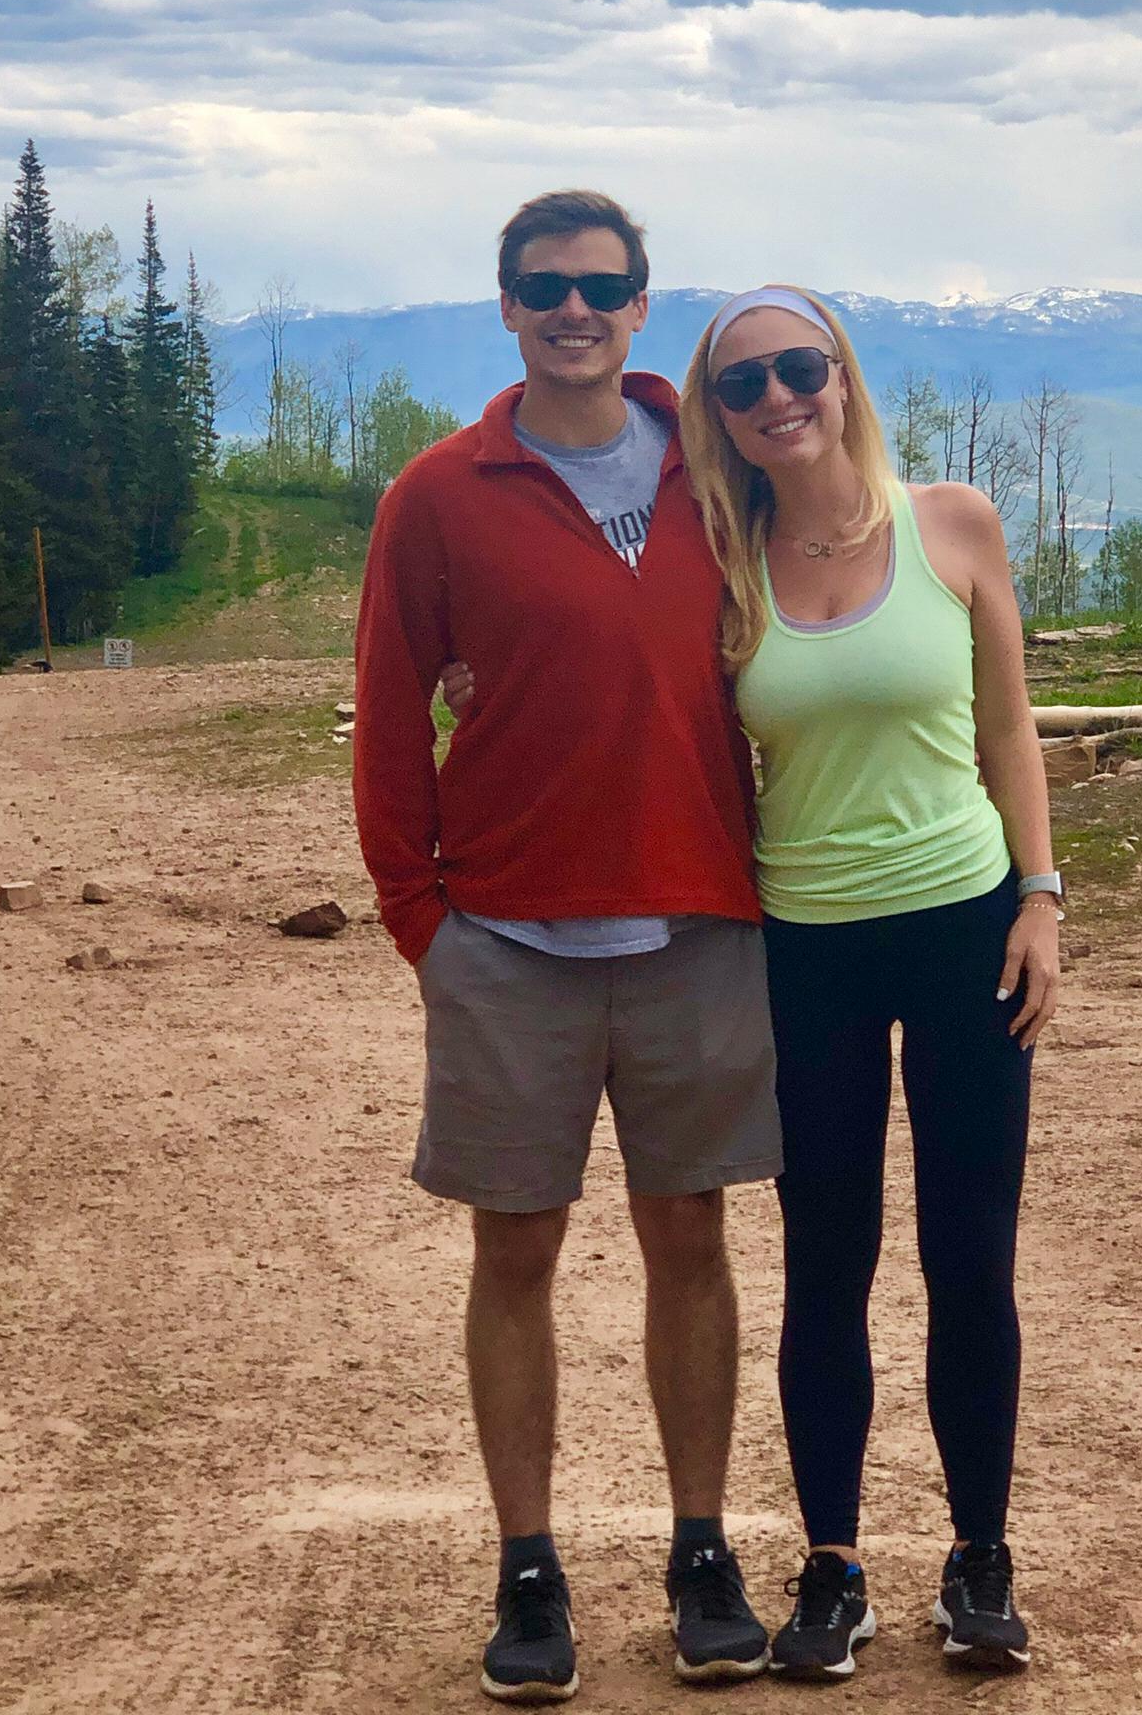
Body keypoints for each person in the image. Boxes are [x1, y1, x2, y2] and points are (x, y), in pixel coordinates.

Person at [353, 192, 781, 1704]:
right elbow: (390, 716)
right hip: (507, 941)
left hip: (697, 925)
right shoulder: (438, 493)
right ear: (509, 307)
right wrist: (424, 925)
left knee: (692, 1238)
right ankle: (527, 1567)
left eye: (601, 286)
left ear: (642, 304)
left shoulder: (720, 467)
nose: (573, 310)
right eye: (544, 288)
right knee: (514, 1250)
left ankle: (701, 1551)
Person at [675, 286, 1061, 1680]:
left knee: (971, 1256)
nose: (778, 396)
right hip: (807, 949)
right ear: (720, 418)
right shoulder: (724, 567)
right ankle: (832, 1568)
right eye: (743, 384)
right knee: (825, 1264)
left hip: (968, 932)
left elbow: (1008, 726)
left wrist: (1042, 898)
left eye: (800, 366)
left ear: (842, 377)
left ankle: (980, 1559)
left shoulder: (954, 524)